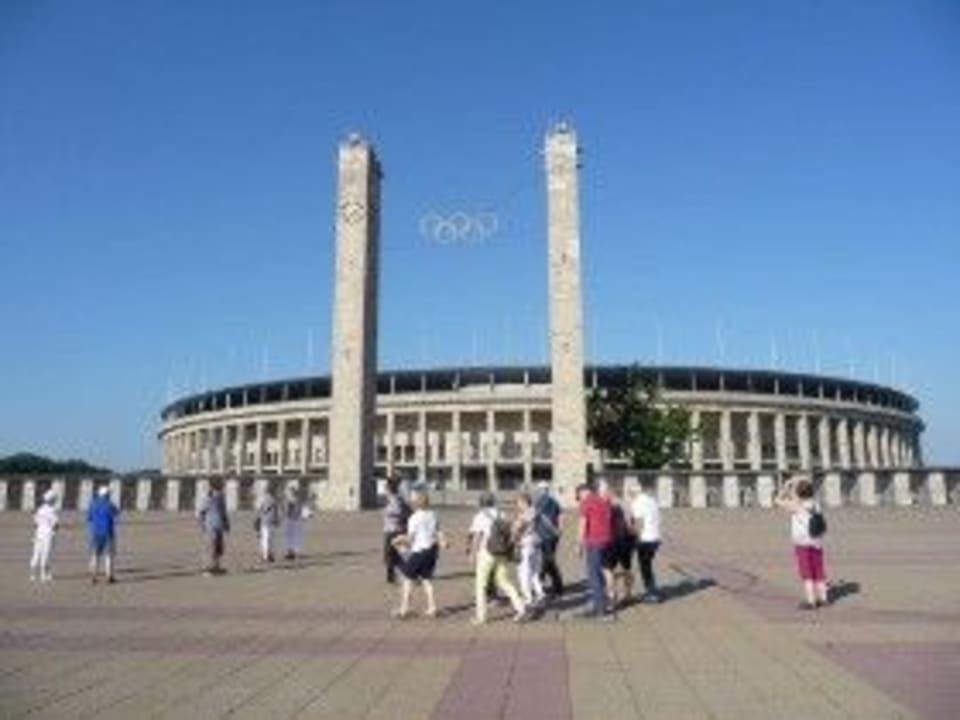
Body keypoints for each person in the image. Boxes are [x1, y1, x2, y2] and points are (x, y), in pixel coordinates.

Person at [467, 492, 527, 625]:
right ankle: (521, 608)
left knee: (480, 585)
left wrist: (472, 553)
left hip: (486, 552)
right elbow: (511, 532)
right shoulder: (502, 514)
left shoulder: (480, 516)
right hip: (501, 552)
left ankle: (481, 617)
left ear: (481, 503)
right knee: (504, 581)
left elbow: (477, 536)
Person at [775, 476, 829, 610]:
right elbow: (804, 492)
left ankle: (811, 601)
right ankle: (823, 598)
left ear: (798, 493)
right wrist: (799, 483)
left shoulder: (796, 506)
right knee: (818, 570)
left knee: (807, 572)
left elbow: (777, 500)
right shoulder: (816, 504)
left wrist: (787, 485)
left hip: (802, 544)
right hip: (816, 541)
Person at [391, 489, 446, 618]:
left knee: (407, 579)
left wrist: (398, 540)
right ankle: (432, 607)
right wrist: (443, 542)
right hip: (432, 551)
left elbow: (410, 539)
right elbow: (438, 531)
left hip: (419, 551)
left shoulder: (414, 518)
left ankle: (404, 609)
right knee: (427, 580)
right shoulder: (433, 514)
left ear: (415, 503)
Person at [577, 481, 613, 619]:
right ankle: (603, 602)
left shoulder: (587, 502)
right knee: (602, 572)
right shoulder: (606, 501)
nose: (579, 498)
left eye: (579, 494)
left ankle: (600, 608)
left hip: (594, 543)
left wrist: (578, 545)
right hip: (607, 542)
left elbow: (582, 524)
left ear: (586, 491)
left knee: (593, 575)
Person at [601, 481, 635, 608]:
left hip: (612, 541)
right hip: (627, 541)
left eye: (605, 493)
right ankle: (628, 595)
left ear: (610, 493)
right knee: (627, 568)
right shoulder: (627, 505)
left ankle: (611, 598)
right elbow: (631, 525)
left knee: (607, 569)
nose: (603, 495)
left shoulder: (609, 506)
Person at [630, 479, 663, 603]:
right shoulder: (652, 500)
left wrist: (634, 537)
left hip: (645, 539)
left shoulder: (638, 502)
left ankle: (652, 594)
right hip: (655, 538)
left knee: (645, 567)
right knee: (647, 566)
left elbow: (639, 523)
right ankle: (652, 590)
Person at [513, 492, 546, 609]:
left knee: (523, 573)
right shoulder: (537, 511)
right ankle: (540, 594)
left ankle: (527, 599)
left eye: (518, 503)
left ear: (524, 502)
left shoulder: (525, 514)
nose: (517, 505)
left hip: (526, 544)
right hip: (537, 543)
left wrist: (513, 538)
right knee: (534, 573)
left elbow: (517, 528)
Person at [534, 481, 564, 596]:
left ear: (542, 490)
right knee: (548, 560)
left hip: (544, 535)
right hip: (552, 536)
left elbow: (539, 517)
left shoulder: (540, 501)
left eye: (540, 489)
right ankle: (556, 586)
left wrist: (554, 529)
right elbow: (561, 515)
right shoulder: (554, 501)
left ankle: (542, 583)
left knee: (547, 561)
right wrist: (560, 530)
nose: (539, 491)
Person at [87, 485, 120, 583]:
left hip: (96, 532)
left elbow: (89, 518)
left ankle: (93, 576)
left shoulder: (93, 504)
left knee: (95, 554)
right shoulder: (110, 504)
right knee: (109, 555)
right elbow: (116, 513)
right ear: (107, 495)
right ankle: (109, 576)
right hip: (108, 532)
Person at [382, 477, 410, 583]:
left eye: (386, 486)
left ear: (390, 487)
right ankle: (391, 577)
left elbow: (399, 511)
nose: (385, 488)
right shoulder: (391, 499)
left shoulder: (396, 499)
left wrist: (389, 513)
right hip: (390, 530)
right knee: (390, 556)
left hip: (395, 531)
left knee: (395, 555)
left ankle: (408, 573)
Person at [198, 483, 230, 575]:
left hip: (215, 526)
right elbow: (201, 512)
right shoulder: (209, 498)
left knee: (217, 547)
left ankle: (215, 566)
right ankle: (209, 567)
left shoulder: (220, 498)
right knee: (212, 547)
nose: (220, 492)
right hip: (212, 526)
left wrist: (226, 524)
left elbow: (224, 513)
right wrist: (203, 524)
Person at [29, 489, 59, 582]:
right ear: (52, 500)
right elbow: (55, 524)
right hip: (48, 534)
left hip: (39, 533)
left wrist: (35, 533)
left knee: (36, 553)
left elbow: (35, 523)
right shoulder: (52, 510)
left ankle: (32, 575)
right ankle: (43, 575)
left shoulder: (39, 509)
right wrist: (55, 531)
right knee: (46, 554)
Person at [254, 487, 280, 562]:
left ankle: (266, 555)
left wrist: (257, 519)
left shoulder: (263, 499)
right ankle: (269, 554)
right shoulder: (273, 500)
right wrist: (276, 520)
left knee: (265, 539)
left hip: (265, 522)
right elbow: (275, 512)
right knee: (270, 540)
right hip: (270, 521)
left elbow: (259, 510)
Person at [283, 483, 307, 560]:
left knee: (294, 537)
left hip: (294, 520)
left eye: (290, 491)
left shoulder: (296, 500)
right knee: (290, 537)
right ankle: (290, 551)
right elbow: (286, 510)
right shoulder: (293, 500)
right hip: (292, 520)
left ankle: (293, 552)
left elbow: (297, 510)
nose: (289, 493)